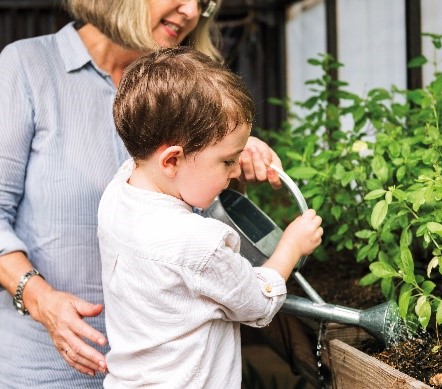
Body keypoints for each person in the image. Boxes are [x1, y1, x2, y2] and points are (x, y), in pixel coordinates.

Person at [0, 1, 283, 387]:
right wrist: (39, 298)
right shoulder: (28, 67)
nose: (190, 11)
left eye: (203, 2)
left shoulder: (189, 88)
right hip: (47, 368)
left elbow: (189, 227)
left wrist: (231, 163)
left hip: (172, 372)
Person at [98, 46, 322, 388]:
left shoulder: (119, 190)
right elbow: (259, 302)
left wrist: (229, 149)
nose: (235, 172)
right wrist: (291, 246)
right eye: (228, 162)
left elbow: (193, 170)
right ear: (171, 160)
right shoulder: (198, 245)